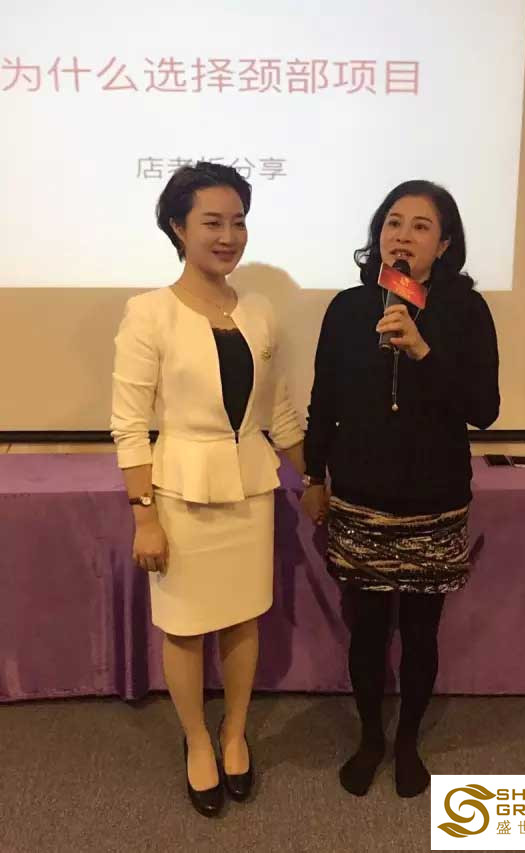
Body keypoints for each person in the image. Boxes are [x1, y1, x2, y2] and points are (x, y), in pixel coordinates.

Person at [111, 162, 305, 817]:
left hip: (250, 488)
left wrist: (316, 477)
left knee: (244, 616)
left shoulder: (260, 311)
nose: (228, 236)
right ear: (178, 227)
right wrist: (144, 516)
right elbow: (129, 426)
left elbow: (279, 414)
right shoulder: (149, 313)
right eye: (212, 222)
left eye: (238, 222)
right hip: (180, 494)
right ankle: (197, 738)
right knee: (187, 627)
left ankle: (234, 731)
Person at [301, 180, 500, 798]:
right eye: (393, 223)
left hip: (434, 501)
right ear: (378, 235)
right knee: (365, 631)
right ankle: (370, 738)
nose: (403, 237)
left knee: (419, 632)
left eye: (420, 226)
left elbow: (484, 409)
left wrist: (422, 351)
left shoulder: (466, 311)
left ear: (445, 244)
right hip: (361, 497)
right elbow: (324, 401)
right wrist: (313, 475)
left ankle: (408, 740)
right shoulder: (348, 308)